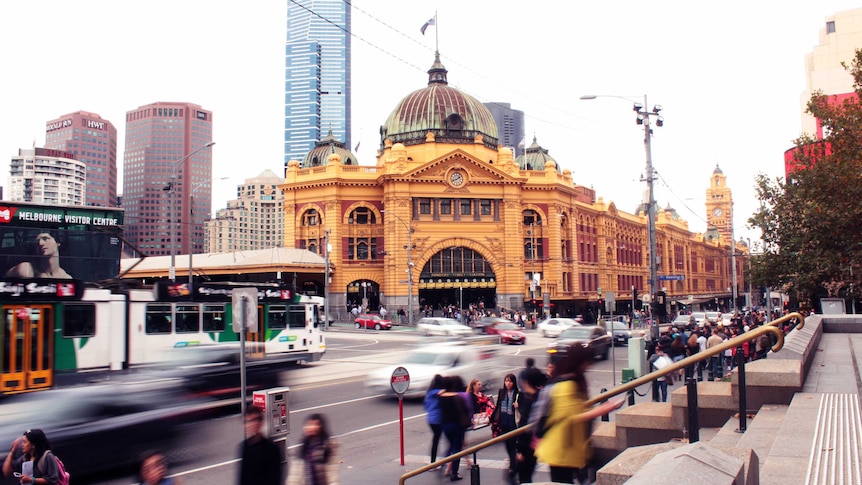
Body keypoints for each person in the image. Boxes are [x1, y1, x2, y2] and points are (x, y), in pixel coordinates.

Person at [534, 345, 624, 484]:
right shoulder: (567, 384)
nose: (588, 366)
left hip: (570, 446)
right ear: (579, 362)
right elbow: (571, 416)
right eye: (587, 363)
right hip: (562, 447)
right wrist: (605, 408)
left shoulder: (571, 380)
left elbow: (574, 409)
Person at [515, 368, 547, 484]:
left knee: (524, 477)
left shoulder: (531, 399)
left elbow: (525, 427)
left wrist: (520, 451)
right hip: (534, 445)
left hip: (529, 447)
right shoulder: (540, 396)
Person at [239, 406, 282, 485]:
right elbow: (242, 477)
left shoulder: (271, 449)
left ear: (261, 423)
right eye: (248, 421)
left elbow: (275, 479)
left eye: (255, 420)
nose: (251, 424)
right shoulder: (244, 446)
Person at [439, 376, 470, 481]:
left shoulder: (441, 397)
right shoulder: (457, 397)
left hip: (445, 424)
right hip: (456, 425)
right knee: (457, 448)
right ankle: (454, 473)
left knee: (451, 445)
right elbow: (465, 410)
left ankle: (444, 463)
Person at [490, 373, 520, 480]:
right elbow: (498, 405)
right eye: (506, 381)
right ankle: (513, 460)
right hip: (504, 422)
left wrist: (518, 405)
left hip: (512, 422)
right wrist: (492, 418)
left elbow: (521, 407)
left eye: (510, 381)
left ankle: (512, 466)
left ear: (514, 382)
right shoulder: (501, 392)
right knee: (507, 444)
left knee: (512, 445)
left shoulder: (517, 393)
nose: (508, 383)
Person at [4, 233, 71, 279]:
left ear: (58, 242)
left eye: (45, 239)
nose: (40, 243)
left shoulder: (66, 278)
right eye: (37, 242)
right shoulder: (26, 269)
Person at [298, 414, 338, 485]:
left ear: (320, 427)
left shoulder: (328, 444)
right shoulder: (305, 444)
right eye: (309, 425)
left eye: (314, 424)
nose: (311, 427)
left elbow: (332, 472)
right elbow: (297, 471)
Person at [424, 375, 445, 468]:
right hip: (438, 419)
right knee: (438, 439)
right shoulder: (438, 393)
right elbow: (442, 392)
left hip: (430, 419)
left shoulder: (429, 393)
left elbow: (425, 406)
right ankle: (434, 462)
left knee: (436, 439)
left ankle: (433, 460)